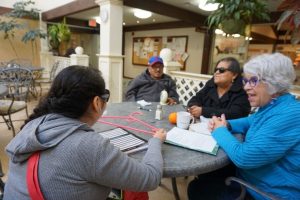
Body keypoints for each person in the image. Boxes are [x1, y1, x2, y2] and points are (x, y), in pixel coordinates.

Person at [3, 65, 167, 200]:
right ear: (97, 102)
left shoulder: (34, 125)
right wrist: (155, 141)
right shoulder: (89, 145)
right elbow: (150, 178)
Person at [189, 53, 300, 199]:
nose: (246, 87)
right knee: (205, 176)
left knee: (196, 188)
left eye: (253, 81)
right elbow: (250, 121)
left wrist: (220, 131)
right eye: (246, 81)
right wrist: (227, 124)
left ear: (274, 82)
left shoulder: (289, 114)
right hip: (252, 176)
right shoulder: (274, 104)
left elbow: (244, 158)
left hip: (265, 192)